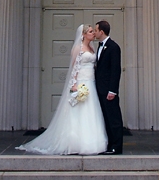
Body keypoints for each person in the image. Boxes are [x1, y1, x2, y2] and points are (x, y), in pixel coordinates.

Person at [17, 23, 107, 155]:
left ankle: (93, 141)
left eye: (93, 31)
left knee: (91, 111)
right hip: (81, 82)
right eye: (90, 31)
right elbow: (74, 67)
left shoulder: (92, 48)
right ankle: (75, 142)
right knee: (79, 112)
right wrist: (75, 85)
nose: (93, 33)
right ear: (83, 35)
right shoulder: (78, 48)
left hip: (91, 83)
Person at [94, 19, 124, 154]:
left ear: (101, 31)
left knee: (113, 118)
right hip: (99, 89)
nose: (94, 33)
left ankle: (116, 146)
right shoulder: (99, 47)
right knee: (105, 118)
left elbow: (115, 70)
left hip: (108, 90)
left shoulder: (113, 47)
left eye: (95, 30)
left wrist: (113, 90)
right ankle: (108, 144)